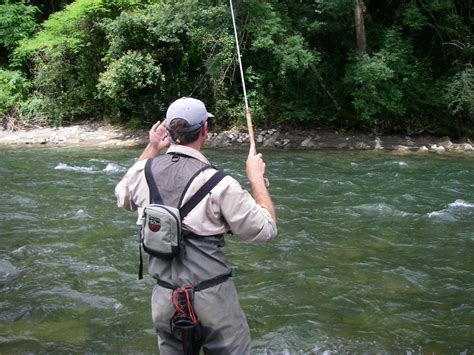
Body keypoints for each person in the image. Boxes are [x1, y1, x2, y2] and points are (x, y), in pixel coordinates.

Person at [114, 97, 277, 354]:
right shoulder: (220, 183)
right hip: (213, 302)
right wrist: (256, 179)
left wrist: (152, 147)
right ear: (204, 130)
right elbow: (266, 229)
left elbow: (121, 194)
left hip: (165, 300)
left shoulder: (141, 173)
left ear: (168, 130)